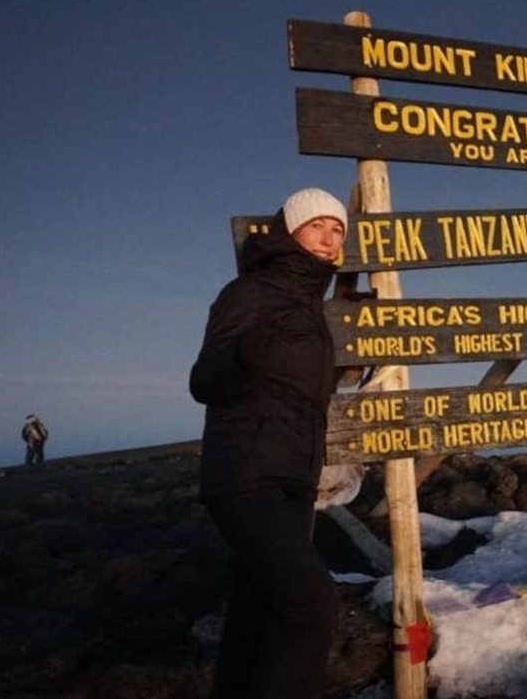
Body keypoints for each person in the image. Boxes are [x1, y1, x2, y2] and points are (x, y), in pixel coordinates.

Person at [190, 187, 347, 699]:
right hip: (246, 475)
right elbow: (204, 381)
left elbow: (299, 392)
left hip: (293, 479)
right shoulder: (250, 293)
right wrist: (249, 354)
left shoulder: (312, 309)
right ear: (291, 231)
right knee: (313, 603)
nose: (328, 238)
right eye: (317, 226)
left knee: (257, 611)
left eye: (337, 228)